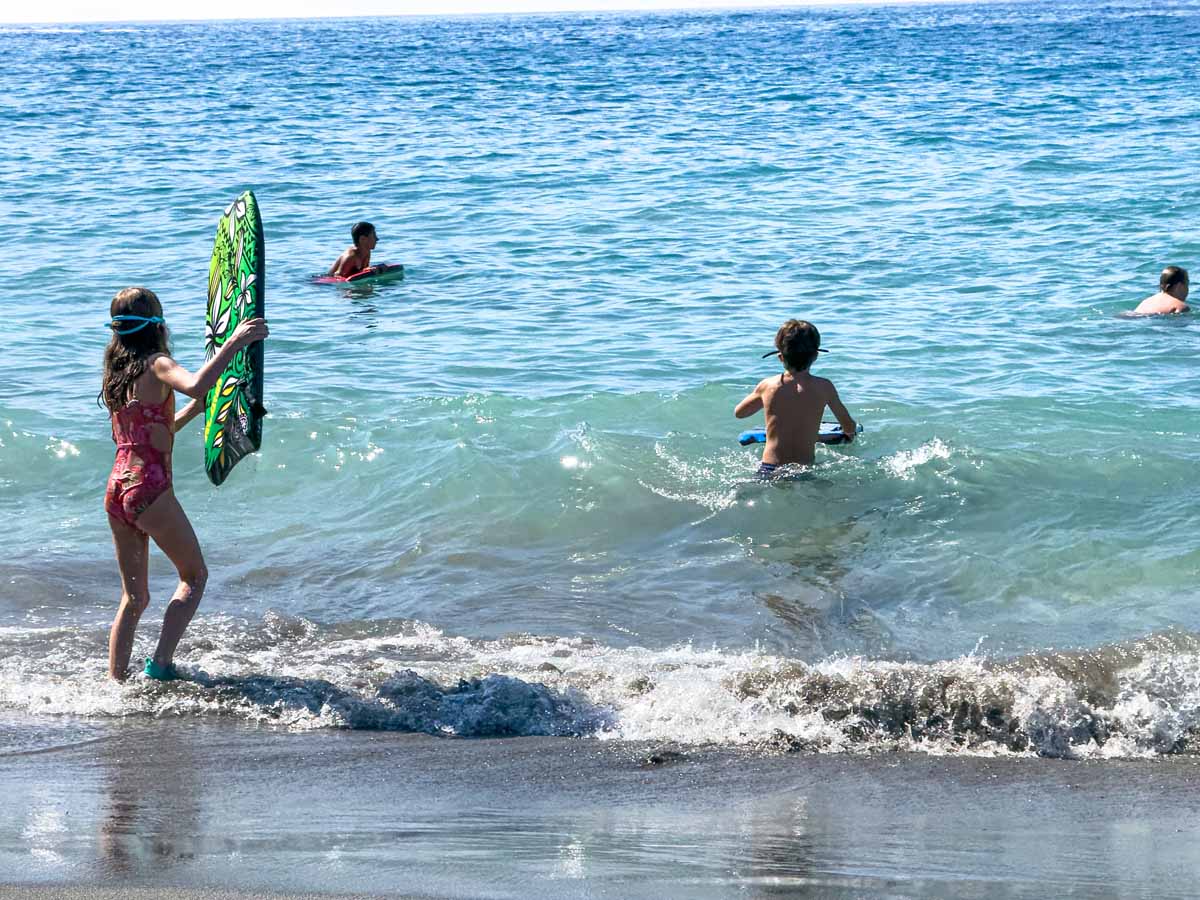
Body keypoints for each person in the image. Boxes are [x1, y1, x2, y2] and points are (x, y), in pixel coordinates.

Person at [99, 287, 268, 681]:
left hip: (117, 489)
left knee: (134, 597)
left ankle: (116, 683)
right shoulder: (157, 364)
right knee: (194, 576)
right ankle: (160, 665)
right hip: (149, 488)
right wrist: (235, 341)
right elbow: (193, 383)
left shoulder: (117, 374)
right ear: (157, 324)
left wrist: (197, 411)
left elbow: (156, 430)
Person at [735, 319, 856, 476]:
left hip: (769, 468)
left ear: (780, 357)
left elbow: (740, 413)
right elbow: (848, 426)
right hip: (804, 470)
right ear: (816, 356)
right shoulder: (824, 387)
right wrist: (845, 436)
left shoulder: (768, 386)